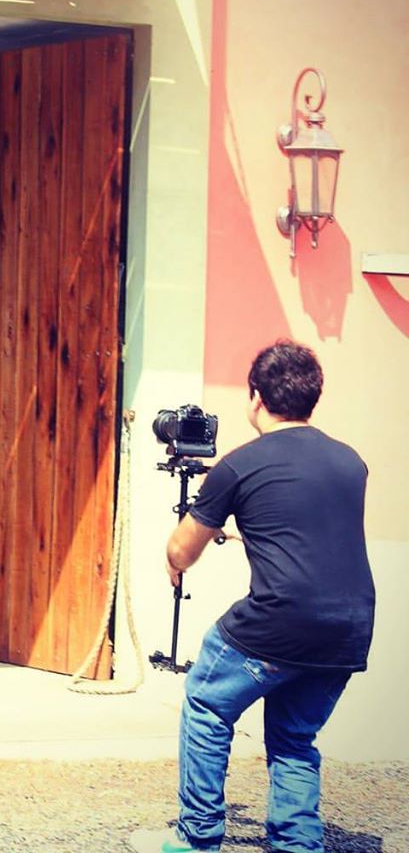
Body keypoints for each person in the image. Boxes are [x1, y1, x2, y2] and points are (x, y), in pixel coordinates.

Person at [131, 339, 375, 853]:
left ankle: (197, 837)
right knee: (293, 738)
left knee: (206, 703)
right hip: (349, 628)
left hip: (279, 620)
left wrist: (177, 557)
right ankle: (297, 843)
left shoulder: (239, 465)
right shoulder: (351, 462)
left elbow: (181, 551)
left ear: (256, 397)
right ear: (312, 397)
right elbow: (303, 532)